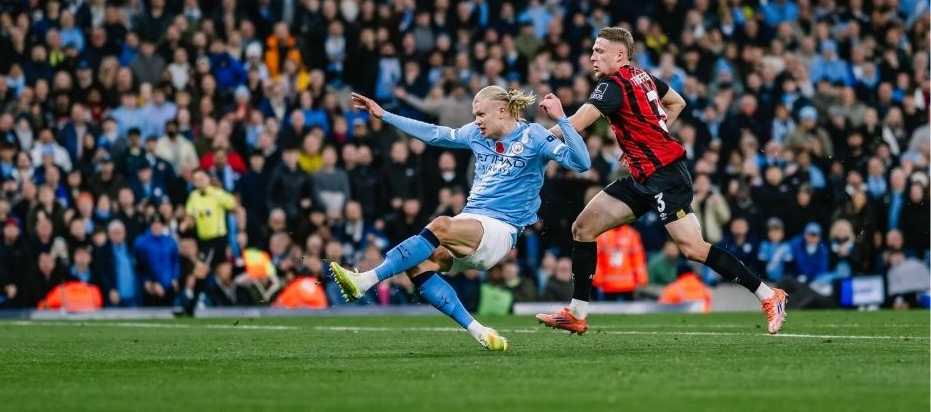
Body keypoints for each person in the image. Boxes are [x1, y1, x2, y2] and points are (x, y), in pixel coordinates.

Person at [537, 27, 787, 335]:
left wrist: (533, 139)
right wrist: (647, 139)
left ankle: (768, 295)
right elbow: (677, 103)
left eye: (599, 51)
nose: (592, 57)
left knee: (694, 249)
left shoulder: (612, 85)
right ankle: (577, 314)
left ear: (620, 55)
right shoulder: (644, 77)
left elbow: (576, 124)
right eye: (592, 50)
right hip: (644, 174)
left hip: (666, 175)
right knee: (583, 228)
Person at [330, 86, 590, 351]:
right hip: (471, 224)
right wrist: (384, 114)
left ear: (502, 111)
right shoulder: (476, 134)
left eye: (480, 114)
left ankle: (364, 281)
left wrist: (562, 119)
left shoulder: (534, 136)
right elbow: (434, 134)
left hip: (501, 230)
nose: (476, 120)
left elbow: (582, 163)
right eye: (474, 114)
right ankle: (478, 330)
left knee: (441, 224)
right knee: (418, 265)